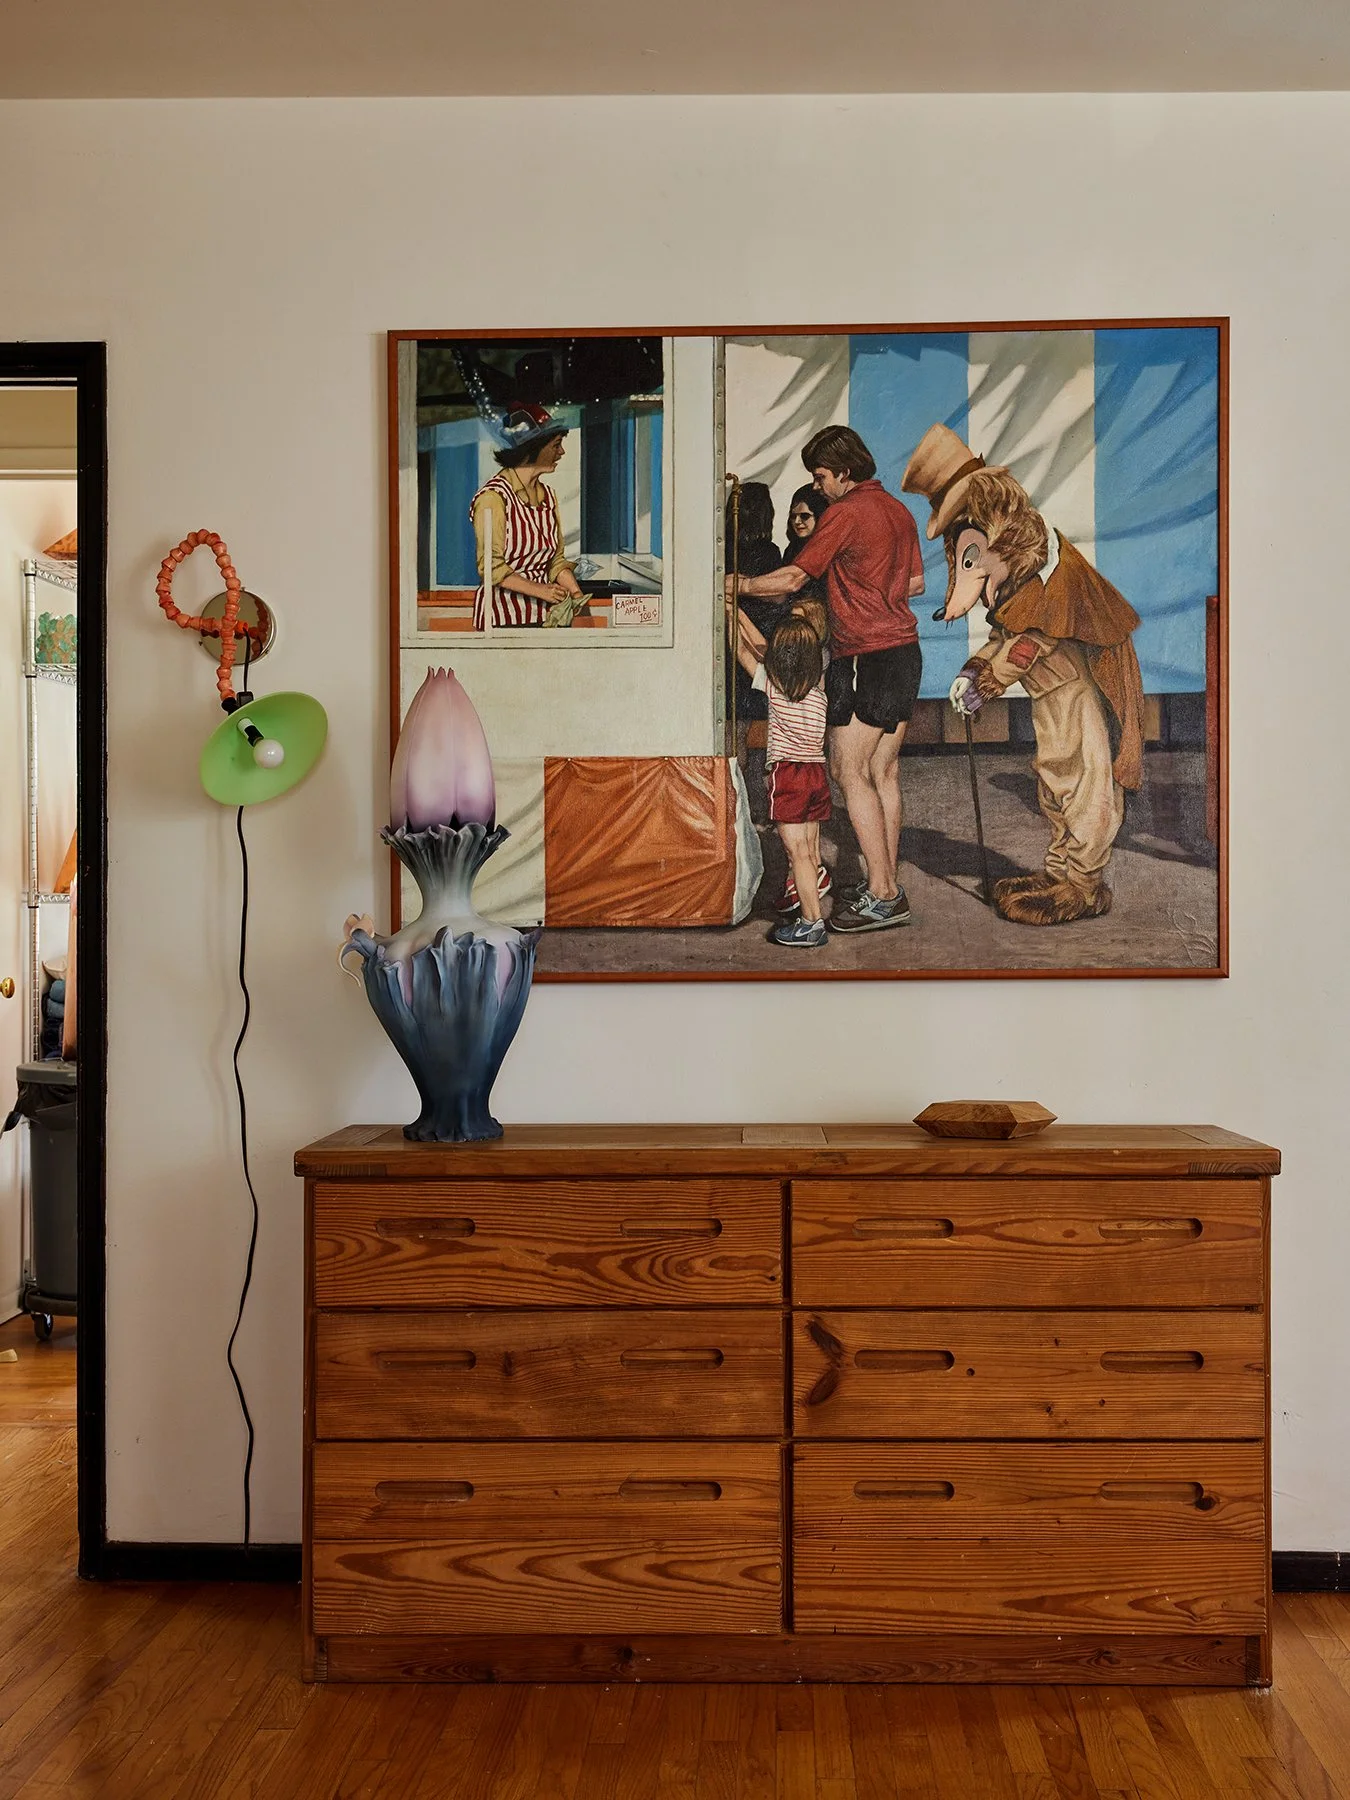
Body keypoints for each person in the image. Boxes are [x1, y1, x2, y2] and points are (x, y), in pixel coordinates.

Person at [902, 422, 1145, 925]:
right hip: (1049, 699)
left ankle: (1083, 882)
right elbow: (1007, 637)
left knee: (1086, 786)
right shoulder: (1018, 581)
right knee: (1054, 783)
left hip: (1080, 695)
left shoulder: (1053, 571)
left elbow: (1035, 639)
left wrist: (991, 680)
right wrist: (973, 671)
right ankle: (1060, 874)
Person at [728, 425, 924, 934]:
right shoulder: (899, 511)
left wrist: (735, 584)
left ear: (843, 472)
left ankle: (882, 893)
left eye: (820, 476)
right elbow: (916, 583)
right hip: (905, 652)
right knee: (884, 774)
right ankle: (887, 884)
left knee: (848, 771)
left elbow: (793, 578)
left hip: (865, 656)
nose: (817, 487)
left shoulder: (847, 512)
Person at [736, 608, 832, 948]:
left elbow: (742, 649)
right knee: (808, 852)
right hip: (816, 775)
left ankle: (811, 923)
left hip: (788, 776)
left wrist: (731, 611)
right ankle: (812, 910)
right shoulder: (819, 691)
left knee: (798, 856)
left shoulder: (773, 690)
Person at [470, 405, 587, 629]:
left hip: (546, 617)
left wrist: (575, 592)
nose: (561, 452)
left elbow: (556, 562)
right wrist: (541, 591)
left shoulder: (549, 497)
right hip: (502, 619)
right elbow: (491, 568)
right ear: (532, 449)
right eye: (555, 445)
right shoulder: (494, 498)